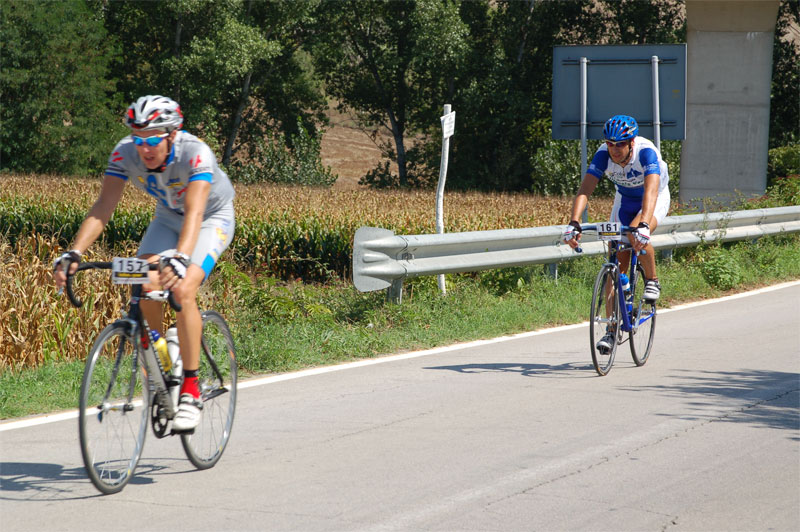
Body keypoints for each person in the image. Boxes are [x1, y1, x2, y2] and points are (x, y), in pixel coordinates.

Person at [53, 95, 235, 431]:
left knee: (182, 289)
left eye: (152, 140)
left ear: (170, 134)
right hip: (167, 219)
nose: (144, 148)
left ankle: (192, 390)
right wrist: (75, 252)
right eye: (138, 139)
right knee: (141, 279)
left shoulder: (195, 153)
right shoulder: (124, 153)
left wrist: (180, 258)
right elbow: (103, 207)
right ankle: (163, 364)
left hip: (210, 219)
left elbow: (195, 212)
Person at [562, 114, 670, 353]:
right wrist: (574, 222)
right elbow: (585, 190)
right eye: (610, 143)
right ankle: (611, 331)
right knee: (615, 259)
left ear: (631, 142)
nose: (614, 149)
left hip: (653, 198)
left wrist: (643, 225)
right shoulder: (603, 155)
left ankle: (652, 280)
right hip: (624, 199)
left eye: (620, 144)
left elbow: (651, 191)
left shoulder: (646, 152)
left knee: (635, 236)